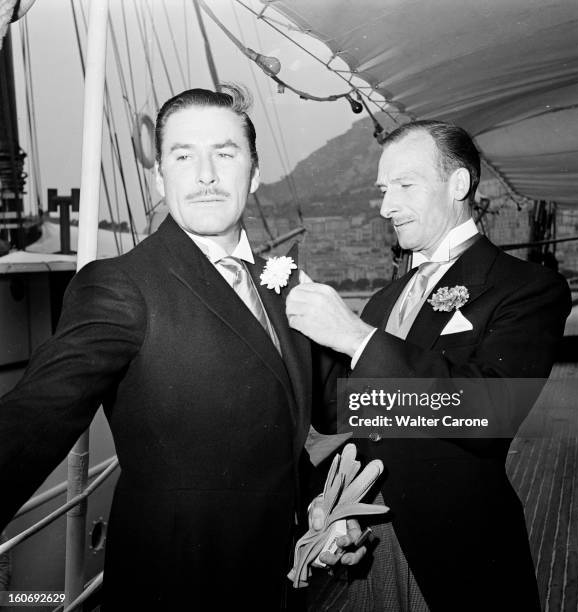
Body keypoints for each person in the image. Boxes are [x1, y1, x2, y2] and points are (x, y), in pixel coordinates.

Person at [0, 85, 363, 610]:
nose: (206, 175)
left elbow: (342, 405)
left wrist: (486, 409)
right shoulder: (122, 285)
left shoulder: (283, 288)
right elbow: (36, 415)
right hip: (177, 589)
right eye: (183, 155)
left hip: (279, 588)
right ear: (159, 177)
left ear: (254, 172)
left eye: (225, 153)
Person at [286, 120, 571, 611]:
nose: (385, 206)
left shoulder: (526, 288)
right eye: (382, 189)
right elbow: (348, 420)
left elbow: (490, 412)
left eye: (404, 185)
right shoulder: (384, 300)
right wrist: (328, 505)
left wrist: (356, 337)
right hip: (371, 549)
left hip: (458, 553)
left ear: (458, 184)